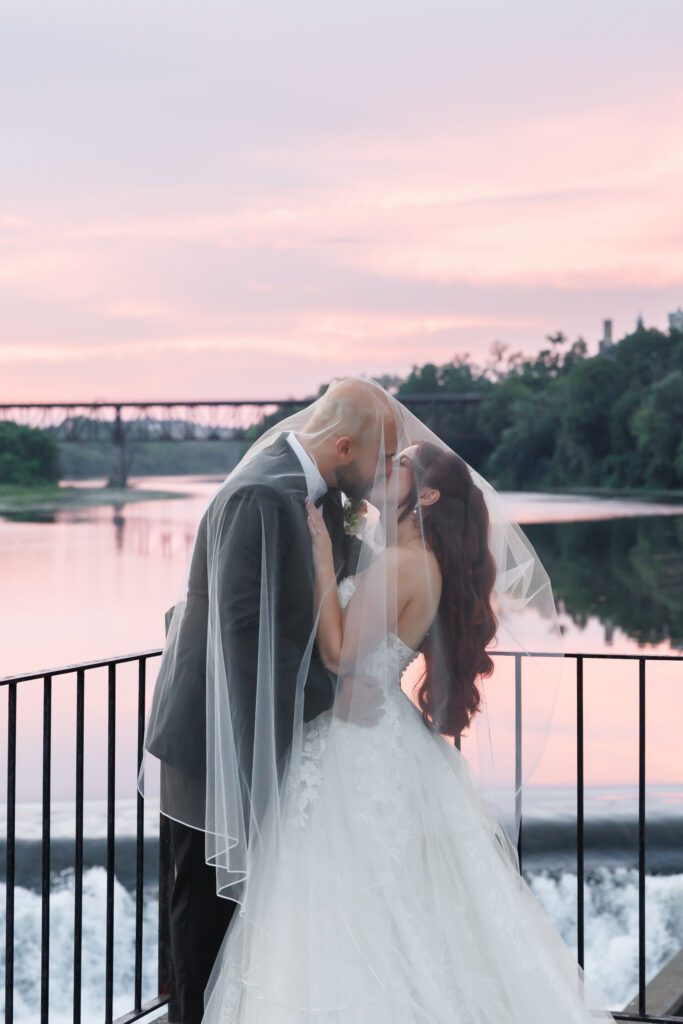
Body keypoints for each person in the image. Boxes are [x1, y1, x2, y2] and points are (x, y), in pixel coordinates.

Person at [140, 378, 397, 1024]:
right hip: (210, 741)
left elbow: (339, 570)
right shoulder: (261, 494)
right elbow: (243, 632)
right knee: (203, 926)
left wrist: (428, 561)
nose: (384, 472)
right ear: (343, 447)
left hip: (246, 731)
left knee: (238, 927)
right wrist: (333, 694)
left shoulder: (307, 492)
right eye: (380, 459)